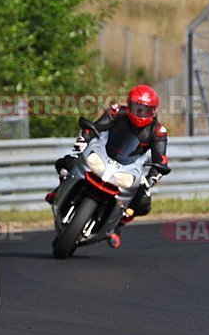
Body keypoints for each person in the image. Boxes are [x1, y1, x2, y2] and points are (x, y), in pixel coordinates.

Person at [46, 85, 169, 244]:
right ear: (129, 104)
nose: (141, 113)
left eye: (146, 110)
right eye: (137, 108)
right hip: (103, 155)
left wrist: (151, 178)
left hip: (129, 167)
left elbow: (161, 160)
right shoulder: (118, 111)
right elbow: (95, 127)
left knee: (142, 202)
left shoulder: (158, 131)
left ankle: (117, 225)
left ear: (154, 111)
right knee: (67, 162)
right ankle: (59, 191)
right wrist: (84, 139)